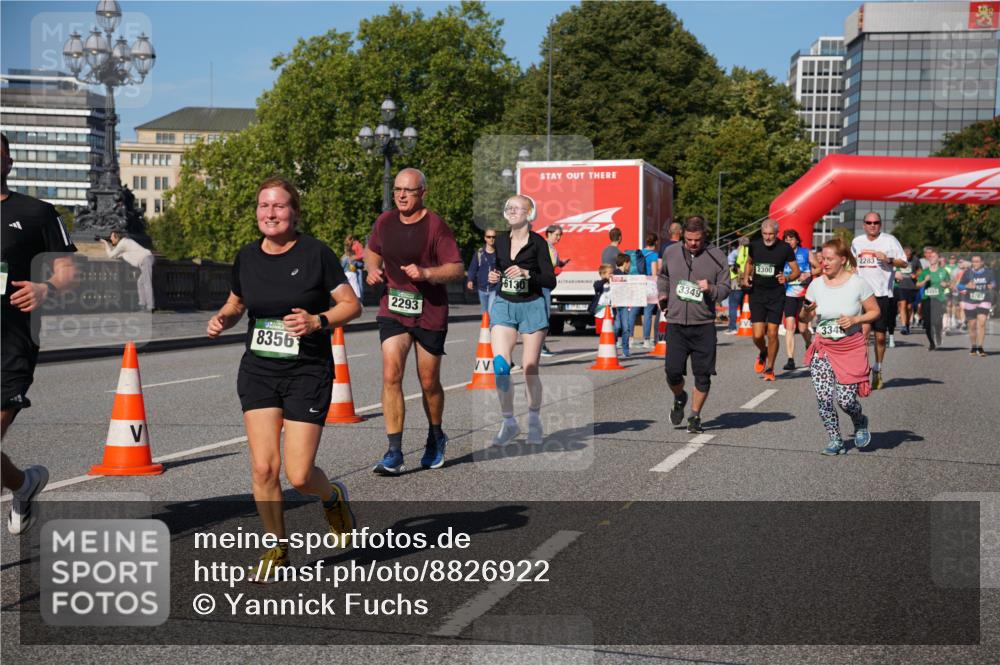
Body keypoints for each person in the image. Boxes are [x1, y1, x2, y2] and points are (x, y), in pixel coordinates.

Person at [206, 177, 362, 580]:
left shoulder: (316, 254)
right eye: (263, 206)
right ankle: (277, 545)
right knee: (263, 469)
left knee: (298, 474)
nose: (269, 214)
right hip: (259, 369)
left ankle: (331, 496)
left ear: (294, 213)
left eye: (278, 207)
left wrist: (318, 320)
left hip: (307, 371)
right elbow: (238, 301)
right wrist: (224, 317)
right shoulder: (246, 256)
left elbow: (352, 305)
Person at [365, 168, 465, 475]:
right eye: (397, 190)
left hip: (429, 311)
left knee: (428, 381)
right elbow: (372, 250)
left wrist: (427, 274)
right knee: (391, 373)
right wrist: (372, 269)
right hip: (393, 307)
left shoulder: (436, 226)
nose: (401, 195)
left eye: (408, 190)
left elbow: (457, 269)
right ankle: (394, 451)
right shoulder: (385, 221)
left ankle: (436, 435)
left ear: (423, 192)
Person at [1, 132, 76, 535]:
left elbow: (67, 271)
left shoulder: (37, 213)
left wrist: (46, 287)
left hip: (11, 346)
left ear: (8, 162)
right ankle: (23, 483)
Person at [799, 237, 880, 456]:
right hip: (823, 348)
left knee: (845, 400)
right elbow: (804, 318)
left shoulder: (858, 283)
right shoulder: (816, 285)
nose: (824, 263)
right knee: (824, 398)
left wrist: (855, 320)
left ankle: (860, 420)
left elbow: (874, 311)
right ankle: (835, 439)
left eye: (829, 259)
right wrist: (807, 310)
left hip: (850, 348)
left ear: (842, 260)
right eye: (822, 259)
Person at [488, 195, 556, 446]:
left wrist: (528, 273)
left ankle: (534, 419)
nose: (512, 211)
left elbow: (550, 280)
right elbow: (497, 267)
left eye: (518, 208)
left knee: (529, 368)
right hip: (505, 304)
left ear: (529, 213)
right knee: (501, 367)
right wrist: (494, 276)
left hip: (532, 306)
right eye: (509, 208)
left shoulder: (538, 243)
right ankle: (509, 422)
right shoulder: (501, 242)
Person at [657, 216, 730, 434]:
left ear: (703, 237)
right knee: (672, 372)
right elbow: (663, 277)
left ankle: (694, 416)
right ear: (683, 236)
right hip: (676, 323)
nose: (692, 244)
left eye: (697, 240)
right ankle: (680, 397)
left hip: (704, 324)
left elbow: (726, 288)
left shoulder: (717, 256)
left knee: (703, 375)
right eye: (688, 239)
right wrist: (663, 297)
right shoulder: (671, 252)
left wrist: (711, 289)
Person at [850, 212, 906, 390]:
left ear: (880, 224)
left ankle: (878, 368)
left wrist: (889, 259)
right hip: (862, 295)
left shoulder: (890, 240)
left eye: (876, 222)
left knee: (880, 338)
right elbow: (852, 265)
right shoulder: (857, 242)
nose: (872, 225)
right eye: (869, 222)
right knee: (864, 334)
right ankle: (862, 373)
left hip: (883, 295)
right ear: (863, 225)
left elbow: (904, 263)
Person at [741, 219, 800, 381]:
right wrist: (746, 277)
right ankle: (763, 351)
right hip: (757, 294)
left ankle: (770, 368)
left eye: (771, 234)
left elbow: (796, 271)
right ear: (761, 233)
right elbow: (749, 263)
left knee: (773, 333)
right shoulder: (755, 245)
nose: (767, 237)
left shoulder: (785, 248)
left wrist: (786, 278)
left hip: (776, 295)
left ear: (777, 233)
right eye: (765, 234)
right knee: (758, 335)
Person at [781, 229, 813, 371]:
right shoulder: (781, 255)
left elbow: (819, 268)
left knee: (802, 328)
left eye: (791, 238)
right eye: (786, 239)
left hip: (804, 294)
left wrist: (808, 274)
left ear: (797, 240)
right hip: (788, 294)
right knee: (790, 326)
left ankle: (809, 344)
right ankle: (790, 359)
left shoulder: (806, 253)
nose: (789, 241)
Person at [100, 230, 155, 312]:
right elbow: (115, 255)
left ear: (117, 237)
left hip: (146, 259)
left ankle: (150, 307)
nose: (110, 239)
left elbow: (111, 255)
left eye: (111, 237)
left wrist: (105, 243)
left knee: (147, 283)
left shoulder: (123, 243)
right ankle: (142, 304)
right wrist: (109, 245)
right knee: (140, 282)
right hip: (145, 260)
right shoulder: (124, 245)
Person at [956, 254, 995, 357]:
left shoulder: (989, 272)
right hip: (970, 300)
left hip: (984, 300)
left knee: (981, 323)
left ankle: (980, 347)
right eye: (973, 261)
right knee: (972, 325)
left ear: (982, 262)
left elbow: (994, 283)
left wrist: (992, 286)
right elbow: (959, 286)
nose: (975, 263)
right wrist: (966, 286)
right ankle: (973, 346)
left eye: (977, 261)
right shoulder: (968, 273)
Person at [540, 224, 567, 357]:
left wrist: (561, 263)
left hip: (547, 285)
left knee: (545, 316)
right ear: (549, 234)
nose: (559, 238)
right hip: (542, 285)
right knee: (543, 316)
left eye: (560, 235)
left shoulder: (552, 248)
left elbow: (553, 264)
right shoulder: (543, 247)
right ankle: (540, 346)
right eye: (557, 235)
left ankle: (541, 345)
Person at [916, 248, 950, 351]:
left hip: (938, 299)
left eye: (934, 256)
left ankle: (938, 334)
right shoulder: (925, 272)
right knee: (927, 323)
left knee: (936, 321)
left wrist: (946, 284)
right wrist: (924, 281)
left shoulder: (943, 271)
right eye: (930, 256)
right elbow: (917, 285)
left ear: (938, 259)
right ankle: (931, 343)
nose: (931, 258)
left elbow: (950, 284)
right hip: (927, 299)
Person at [466, 226, 498, 315]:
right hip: (482, 288)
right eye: (489, 237)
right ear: (485, 238)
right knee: (485, 314)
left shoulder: (500, 253)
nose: (491, 239)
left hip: (495, 288)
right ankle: (486, 328)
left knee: (492, 312)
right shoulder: (479, 253)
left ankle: (493, 328)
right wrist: (470, 280)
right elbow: (473, 268)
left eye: (493, 237)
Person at [893, 246, 922, 335]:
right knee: (902, 304)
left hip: (912, 286)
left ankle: (907, 323)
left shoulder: (915, 259)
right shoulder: (898, 259)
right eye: (906, 255)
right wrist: (895, 275)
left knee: (909, 307)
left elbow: (920, 270)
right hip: (900, 285)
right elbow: (891, 269)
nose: (907, 257)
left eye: (909, 255)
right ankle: (903, 326)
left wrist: (916, 275)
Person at [724, 236, 750, 335]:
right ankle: (748, 324)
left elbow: (729, 262)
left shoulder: (736, 252)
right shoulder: (752, 252)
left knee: (733, 305)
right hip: (748, 281)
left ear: (739, 243)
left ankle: (732, 327)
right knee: (746, 304)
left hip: (736, 281)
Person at [640, 232, 661, 347]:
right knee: (648, 312)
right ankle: (647, 339)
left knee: (633, 312)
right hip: (649, 284)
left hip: (639, 283)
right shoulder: (653, 255)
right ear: (656, 242)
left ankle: (630, 338)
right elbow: (654, 273)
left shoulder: (640, 253)